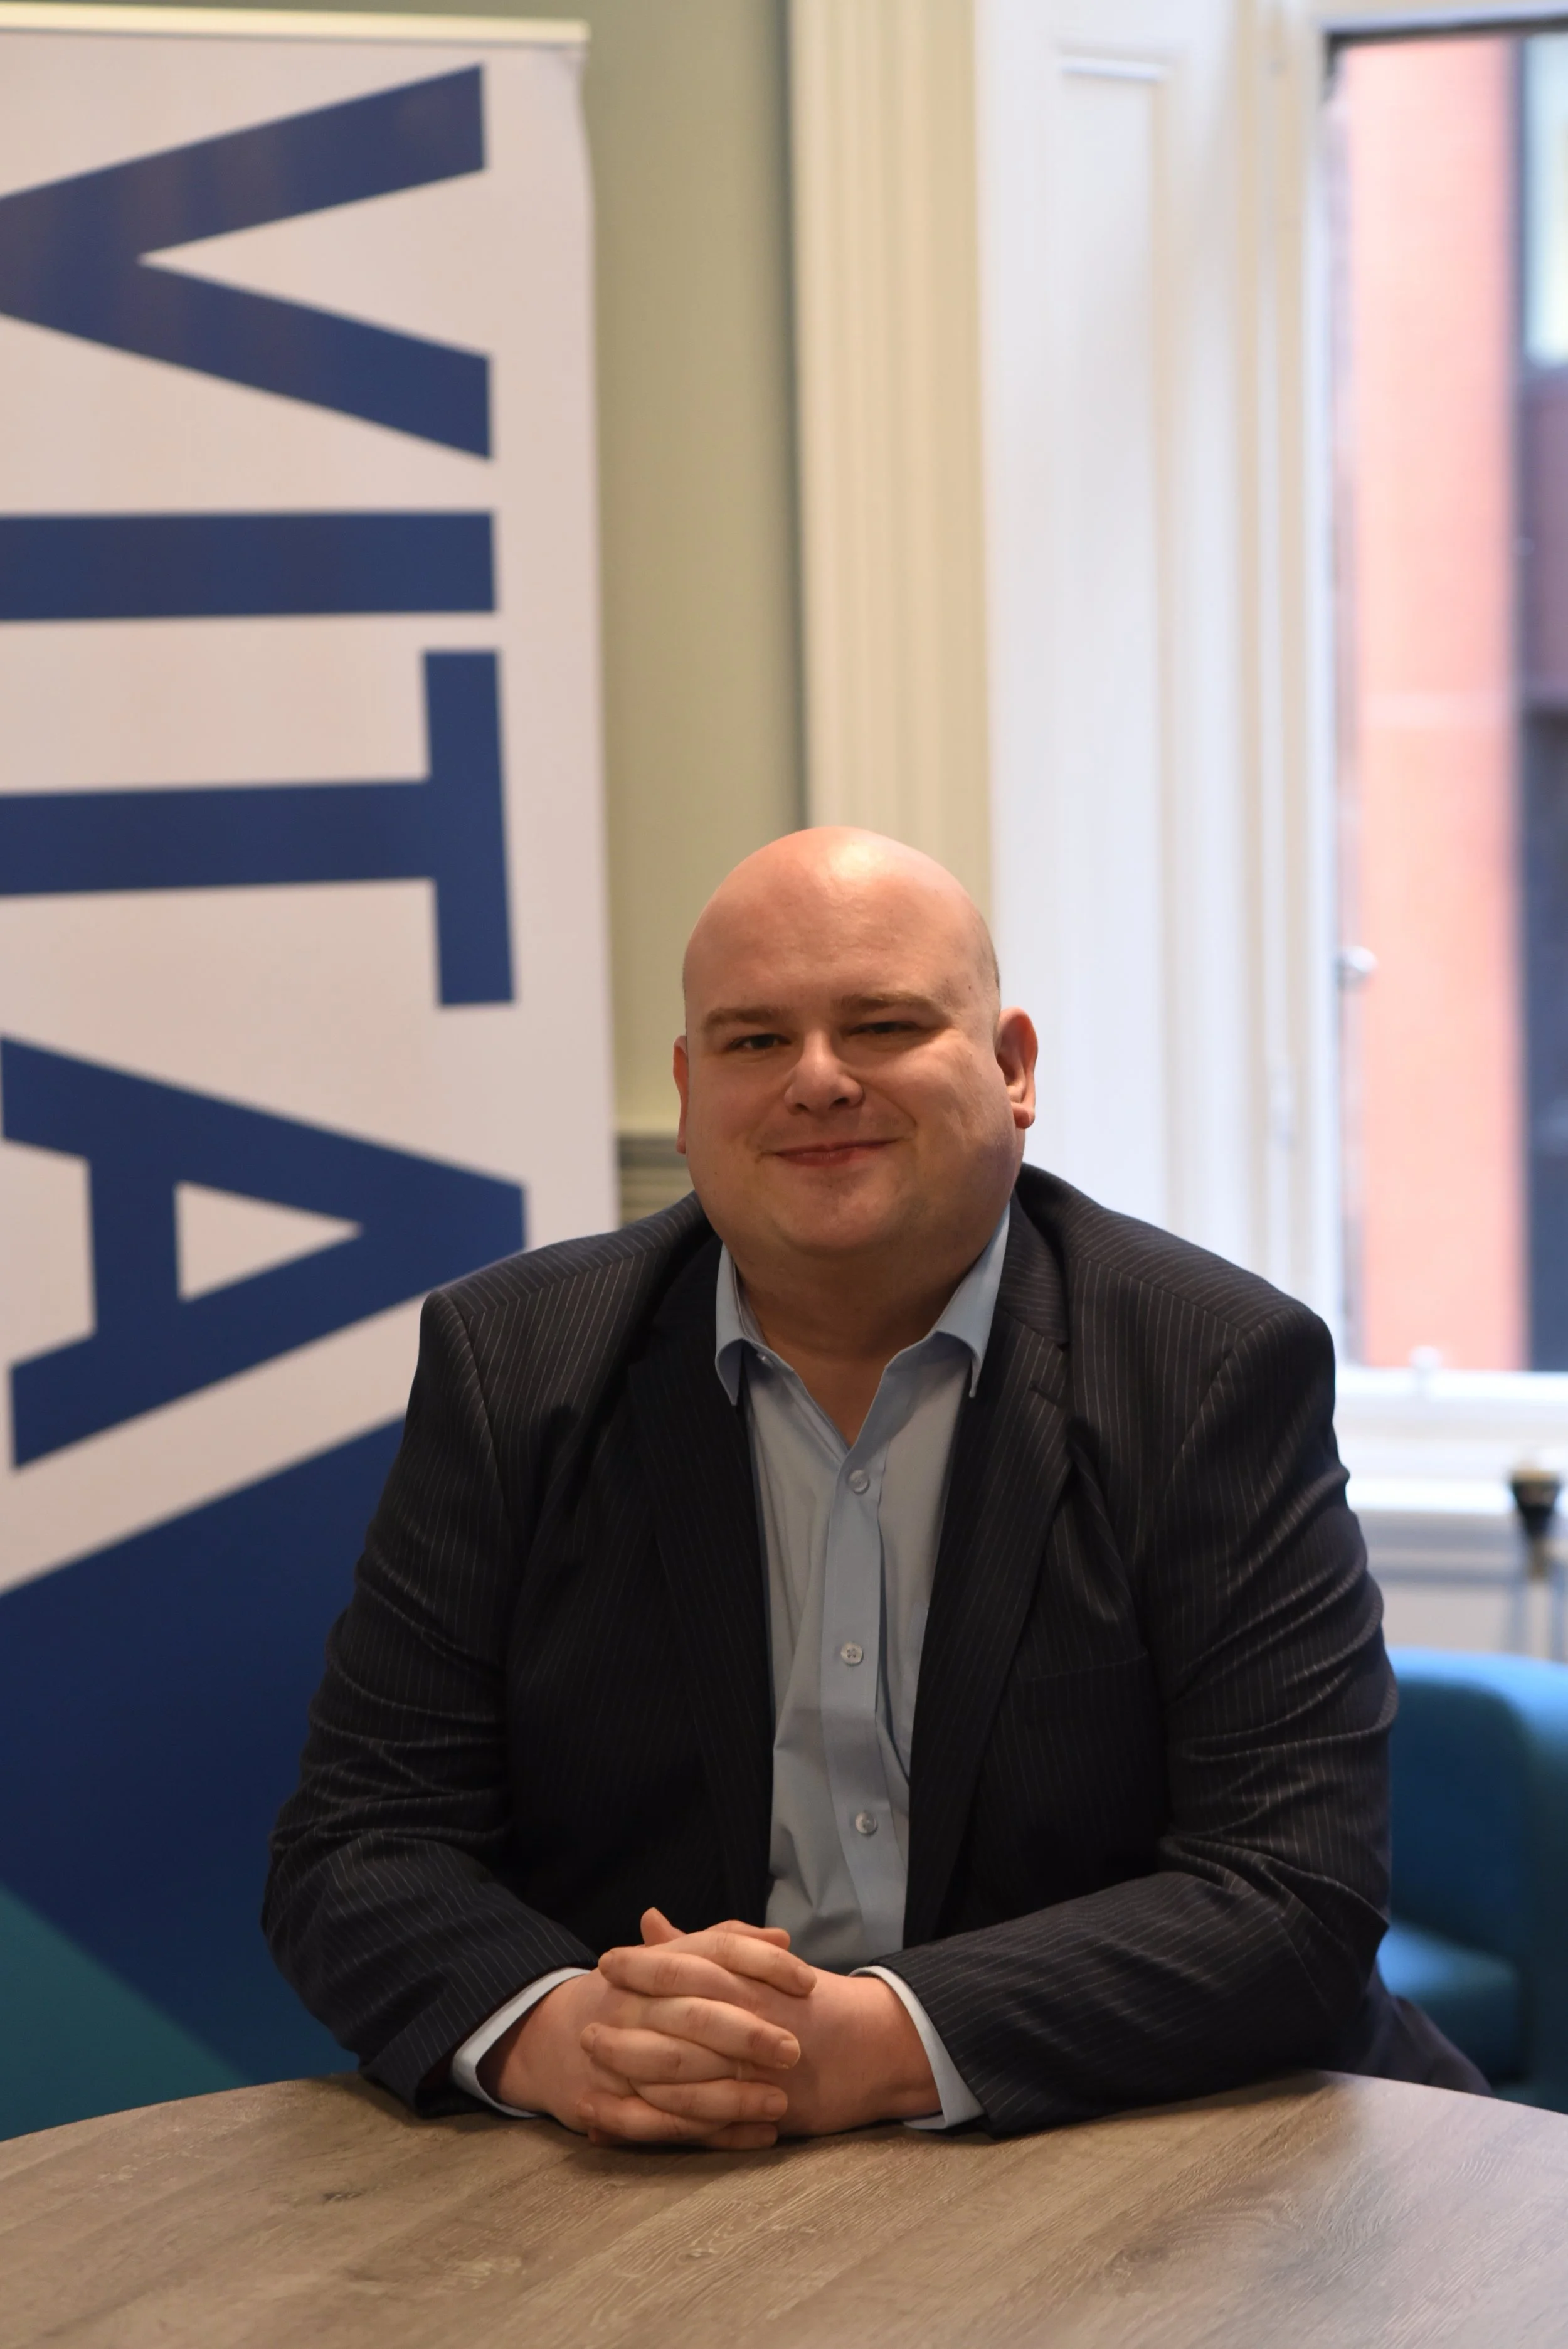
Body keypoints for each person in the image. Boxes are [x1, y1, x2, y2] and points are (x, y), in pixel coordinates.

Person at [265, 827, 1480, 2146]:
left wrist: (879, 2041)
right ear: (684, 1093)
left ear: (1011, 1069)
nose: (817, 1082)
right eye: (752, 1042)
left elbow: (1287, 1894)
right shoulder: (516, 1366)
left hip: (1147, 2141)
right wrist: (569, 2035)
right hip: (670, 2174)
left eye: (882, 1025)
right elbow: (358, 1846)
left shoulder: (1210, 1368)